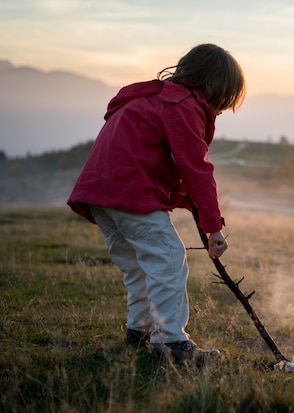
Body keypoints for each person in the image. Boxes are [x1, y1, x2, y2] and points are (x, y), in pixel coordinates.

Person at [67, 43, 246, 367]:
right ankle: (171, 345)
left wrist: (200, 213)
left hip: (101, 193)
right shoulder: (183, 105)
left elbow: (169, 165)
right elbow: (195, 168)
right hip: (129, 191)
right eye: (223, 98)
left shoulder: (152, 100)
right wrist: (213, 228)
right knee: (167, 257)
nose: (219, 108)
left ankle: (139, 333)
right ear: (210, 85)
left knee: (138, 266)